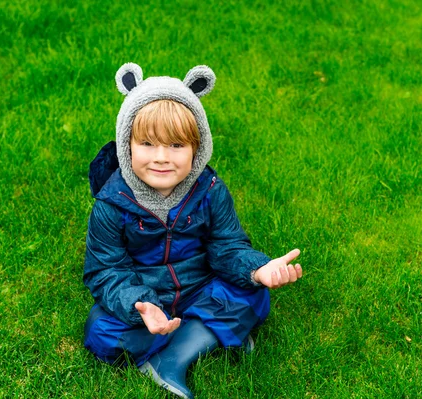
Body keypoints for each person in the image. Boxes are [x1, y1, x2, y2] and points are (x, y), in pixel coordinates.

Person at [83, 63, 303, 399]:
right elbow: (105, 271)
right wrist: (140, 304)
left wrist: (258, 269)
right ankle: (207, 334)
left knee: (256, 295)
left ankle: (171, 357)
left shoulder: (210, 191)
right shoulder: (110, 205)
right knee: (101, 331)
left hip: (200, 286)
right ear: (126, 146)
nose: (161, 158)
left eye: (176, 146)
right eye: (147, 144)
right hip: (147, 302)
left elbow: (227, 247)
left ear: (196, 150)